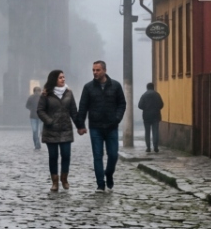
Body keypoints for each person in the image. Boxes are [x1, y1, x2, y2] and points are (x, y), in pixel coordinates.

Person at [76, 61, 127, 191]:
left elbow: (122, 103)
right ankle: (100, 183)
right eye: (93, 70)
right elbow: (83, 107)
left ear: (104, 70)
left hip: (111, 126)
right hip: (95, 126)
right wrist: (80, 125)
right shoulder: (88, 87)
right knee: (97, 155)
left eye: (97, 70)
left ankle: (109, 174)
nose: (95, 72)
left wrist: (117, 118)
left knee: (113, 155)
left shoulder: (115, 86)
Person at [35, 69, 78, 192]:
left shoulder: (69, 93)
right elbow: (40, 110)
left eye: (64, 77)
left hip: (65, 129)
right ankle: (55, 181)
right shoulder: (45, 94)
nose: (63, 79)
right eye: (60, 77)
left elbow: (73, 111)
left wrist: (80, 125)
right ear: (54, 79)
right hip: (51, 130)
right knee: (53, 156)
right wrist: (49, 121)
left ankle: (64, 178)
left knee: (66, 155)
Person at [139, 82, 165, 153]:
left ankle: (148, 148)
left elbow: (140, 105)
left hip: (146, 116)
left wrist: (146, 108)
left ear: (147, 88)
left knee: (147, 132)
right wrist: (156, 108)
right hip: (156, 115)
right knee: (155, 131)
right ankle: (156, 147)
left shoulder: (144, 95)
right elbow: (161, 104)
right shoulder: (157, 95)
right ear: (153, 87)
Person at [25, 86, 42, 150]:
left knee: (35, 131)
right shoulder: (42, 97)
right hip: (39, 116)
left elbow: (27, 106)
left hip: (33, 116)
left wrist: (31, 109)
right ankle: (37, 144)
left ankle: (37, 144)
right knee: (40, 131)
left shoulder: (31, 97)